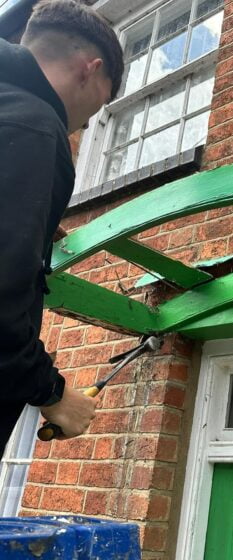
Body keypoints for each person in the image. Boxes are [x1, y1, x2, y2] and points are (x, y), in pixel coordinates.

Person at [0, 0, 124, 457]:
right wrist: (55, 394)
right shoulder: (35, 125)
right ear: (89, 69)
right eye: (104, 102)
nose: (93, 119)